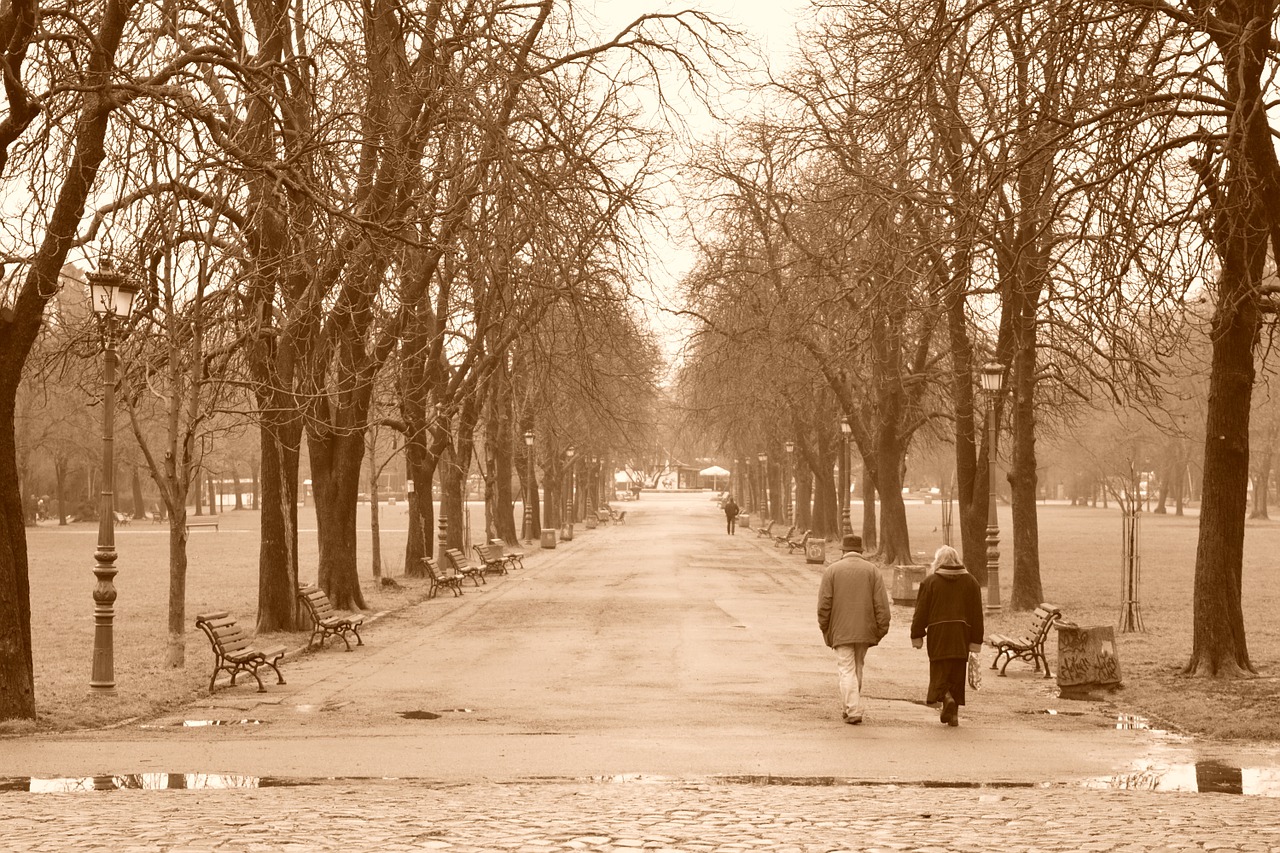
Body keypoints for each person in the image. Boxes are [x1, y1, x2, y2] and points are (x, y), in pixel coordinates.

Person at [817, 533, 891, 724]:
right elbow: (881, 605)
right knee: (857, 668)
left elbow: (824, 604)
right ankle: (849, 706)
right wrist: (880, 629)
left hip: (841, 629)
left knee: (846, 669)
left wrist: (825, 627)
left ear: (843, 551)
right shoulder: (873, 571)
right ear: (860, 551)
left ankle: (852, 709)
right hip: (865, 629)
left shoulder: (832, 571)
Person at [910, 545, 985, 727]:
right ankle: (954, 715)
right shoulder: (971, 582)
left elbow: (921, 611)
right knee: (957, 674)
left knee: (939, 673)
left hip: (938, 635)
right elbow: (977, 614)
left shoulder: (930, 582)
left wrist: (917, 634)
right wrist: (976, 641)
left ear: (937, 561)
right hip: (961, 635)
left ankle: (946, 697)